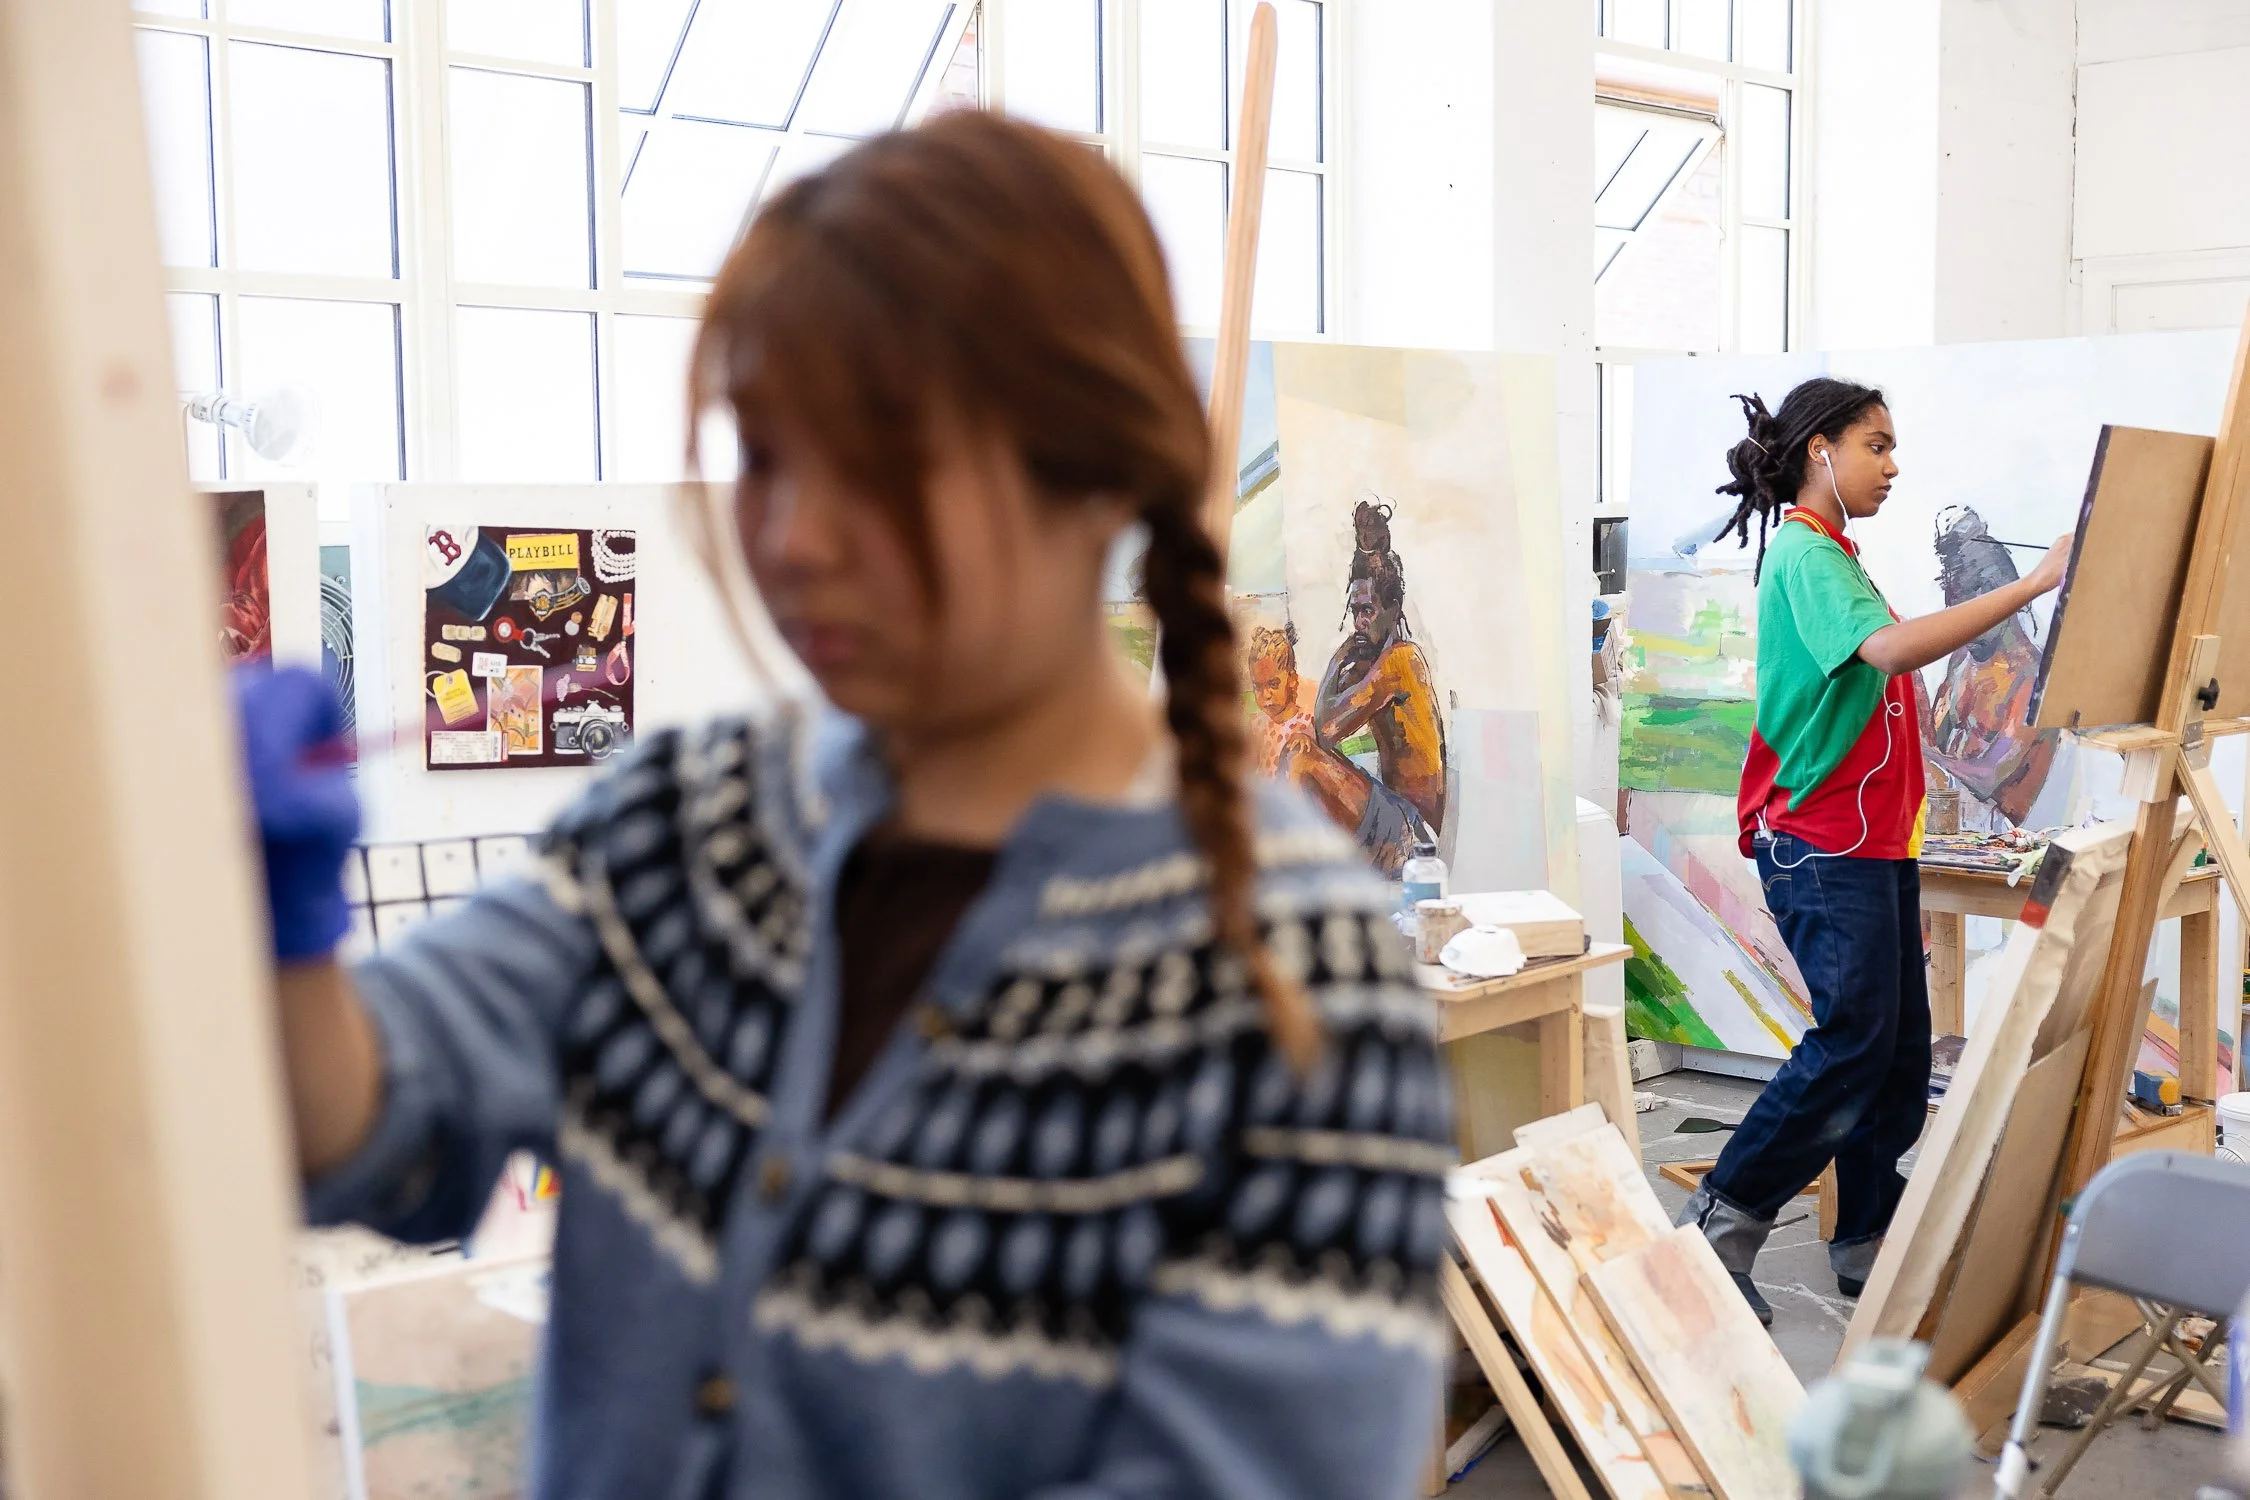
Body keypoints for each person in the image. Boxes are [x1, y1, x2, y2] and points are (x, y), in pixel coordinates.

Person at [237, 111, 1452, 1500]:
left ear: (1096, 473)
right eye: (765, 455)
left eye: (882, 464)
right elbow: (367, 1117)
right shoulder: (677, 831)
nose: (797, 537)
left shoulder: (1294, 981)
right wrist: (274, 937)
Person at [1677, 378, 2072, 1325]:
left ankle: (1865, 1231)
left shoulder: (1839, 556)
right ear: (1821, 449)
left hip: (1872, 842)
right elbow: (1891, 652)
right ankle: (1717, 1227)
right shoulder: (1807, 555)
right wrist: (2032, 585)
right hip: (1821, 841)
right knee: (1854, 1038)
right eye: (1876, 445)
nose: (1892, 466)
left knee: (1894, 1052)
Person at [1313, 504, 1446, 838]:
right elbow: (1325, 725)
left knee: (1302, 757)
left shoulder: (1400, 662)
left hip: (1416, 832)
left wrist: (1337, 659)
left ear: (1393, 609)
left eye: (1368, 611)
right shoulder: (1376, 664)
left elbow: (1325, 729)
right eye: (1355, 611)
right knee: (1304, 752)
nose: (1359, 622)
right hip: (1399, 815)